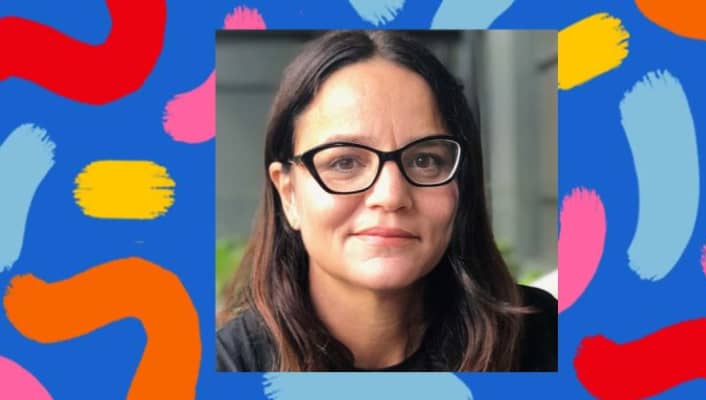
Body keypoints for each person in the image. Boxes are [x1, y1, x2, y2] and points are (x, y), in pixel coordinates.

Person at [216, 30, 557, 372]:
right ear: (288, 194)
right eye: (344, 162)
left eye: (424, 160)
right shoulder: (226, 367)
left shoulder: (543, 341)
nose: (391, 196)